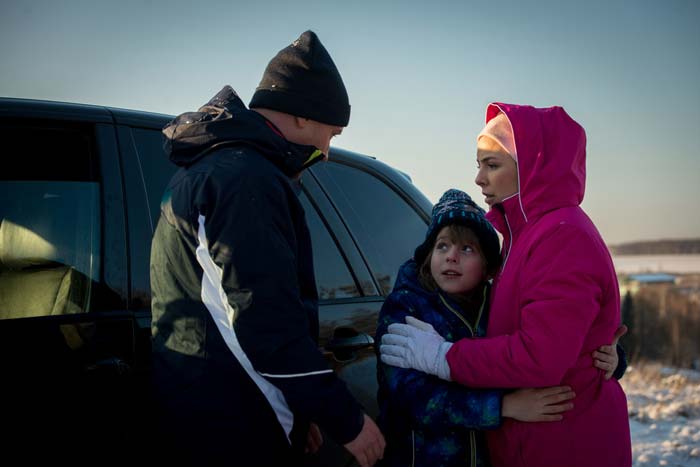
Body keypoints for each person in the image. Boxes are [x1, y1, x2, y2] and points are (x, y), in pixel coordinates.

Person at [150, 31, 384, 467]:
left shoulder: (211, 169)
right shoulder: (245, 180)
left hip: (208, 411)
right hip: (234, 425)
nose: (328, 151)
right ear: (301, 117)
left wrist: (300, 410)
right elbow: (266, 322)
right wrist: (345, 420)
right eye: (330, 132)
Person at [380, 104, 632, 467]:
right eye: (478, 165)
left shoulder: (562, 238)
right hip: (535, 442)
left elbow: (540, 356)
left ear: (531, 165)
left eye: (492, 165)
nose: (480, 179)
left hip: (564, 444)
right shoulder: (525, 235)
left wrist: (444, 357)